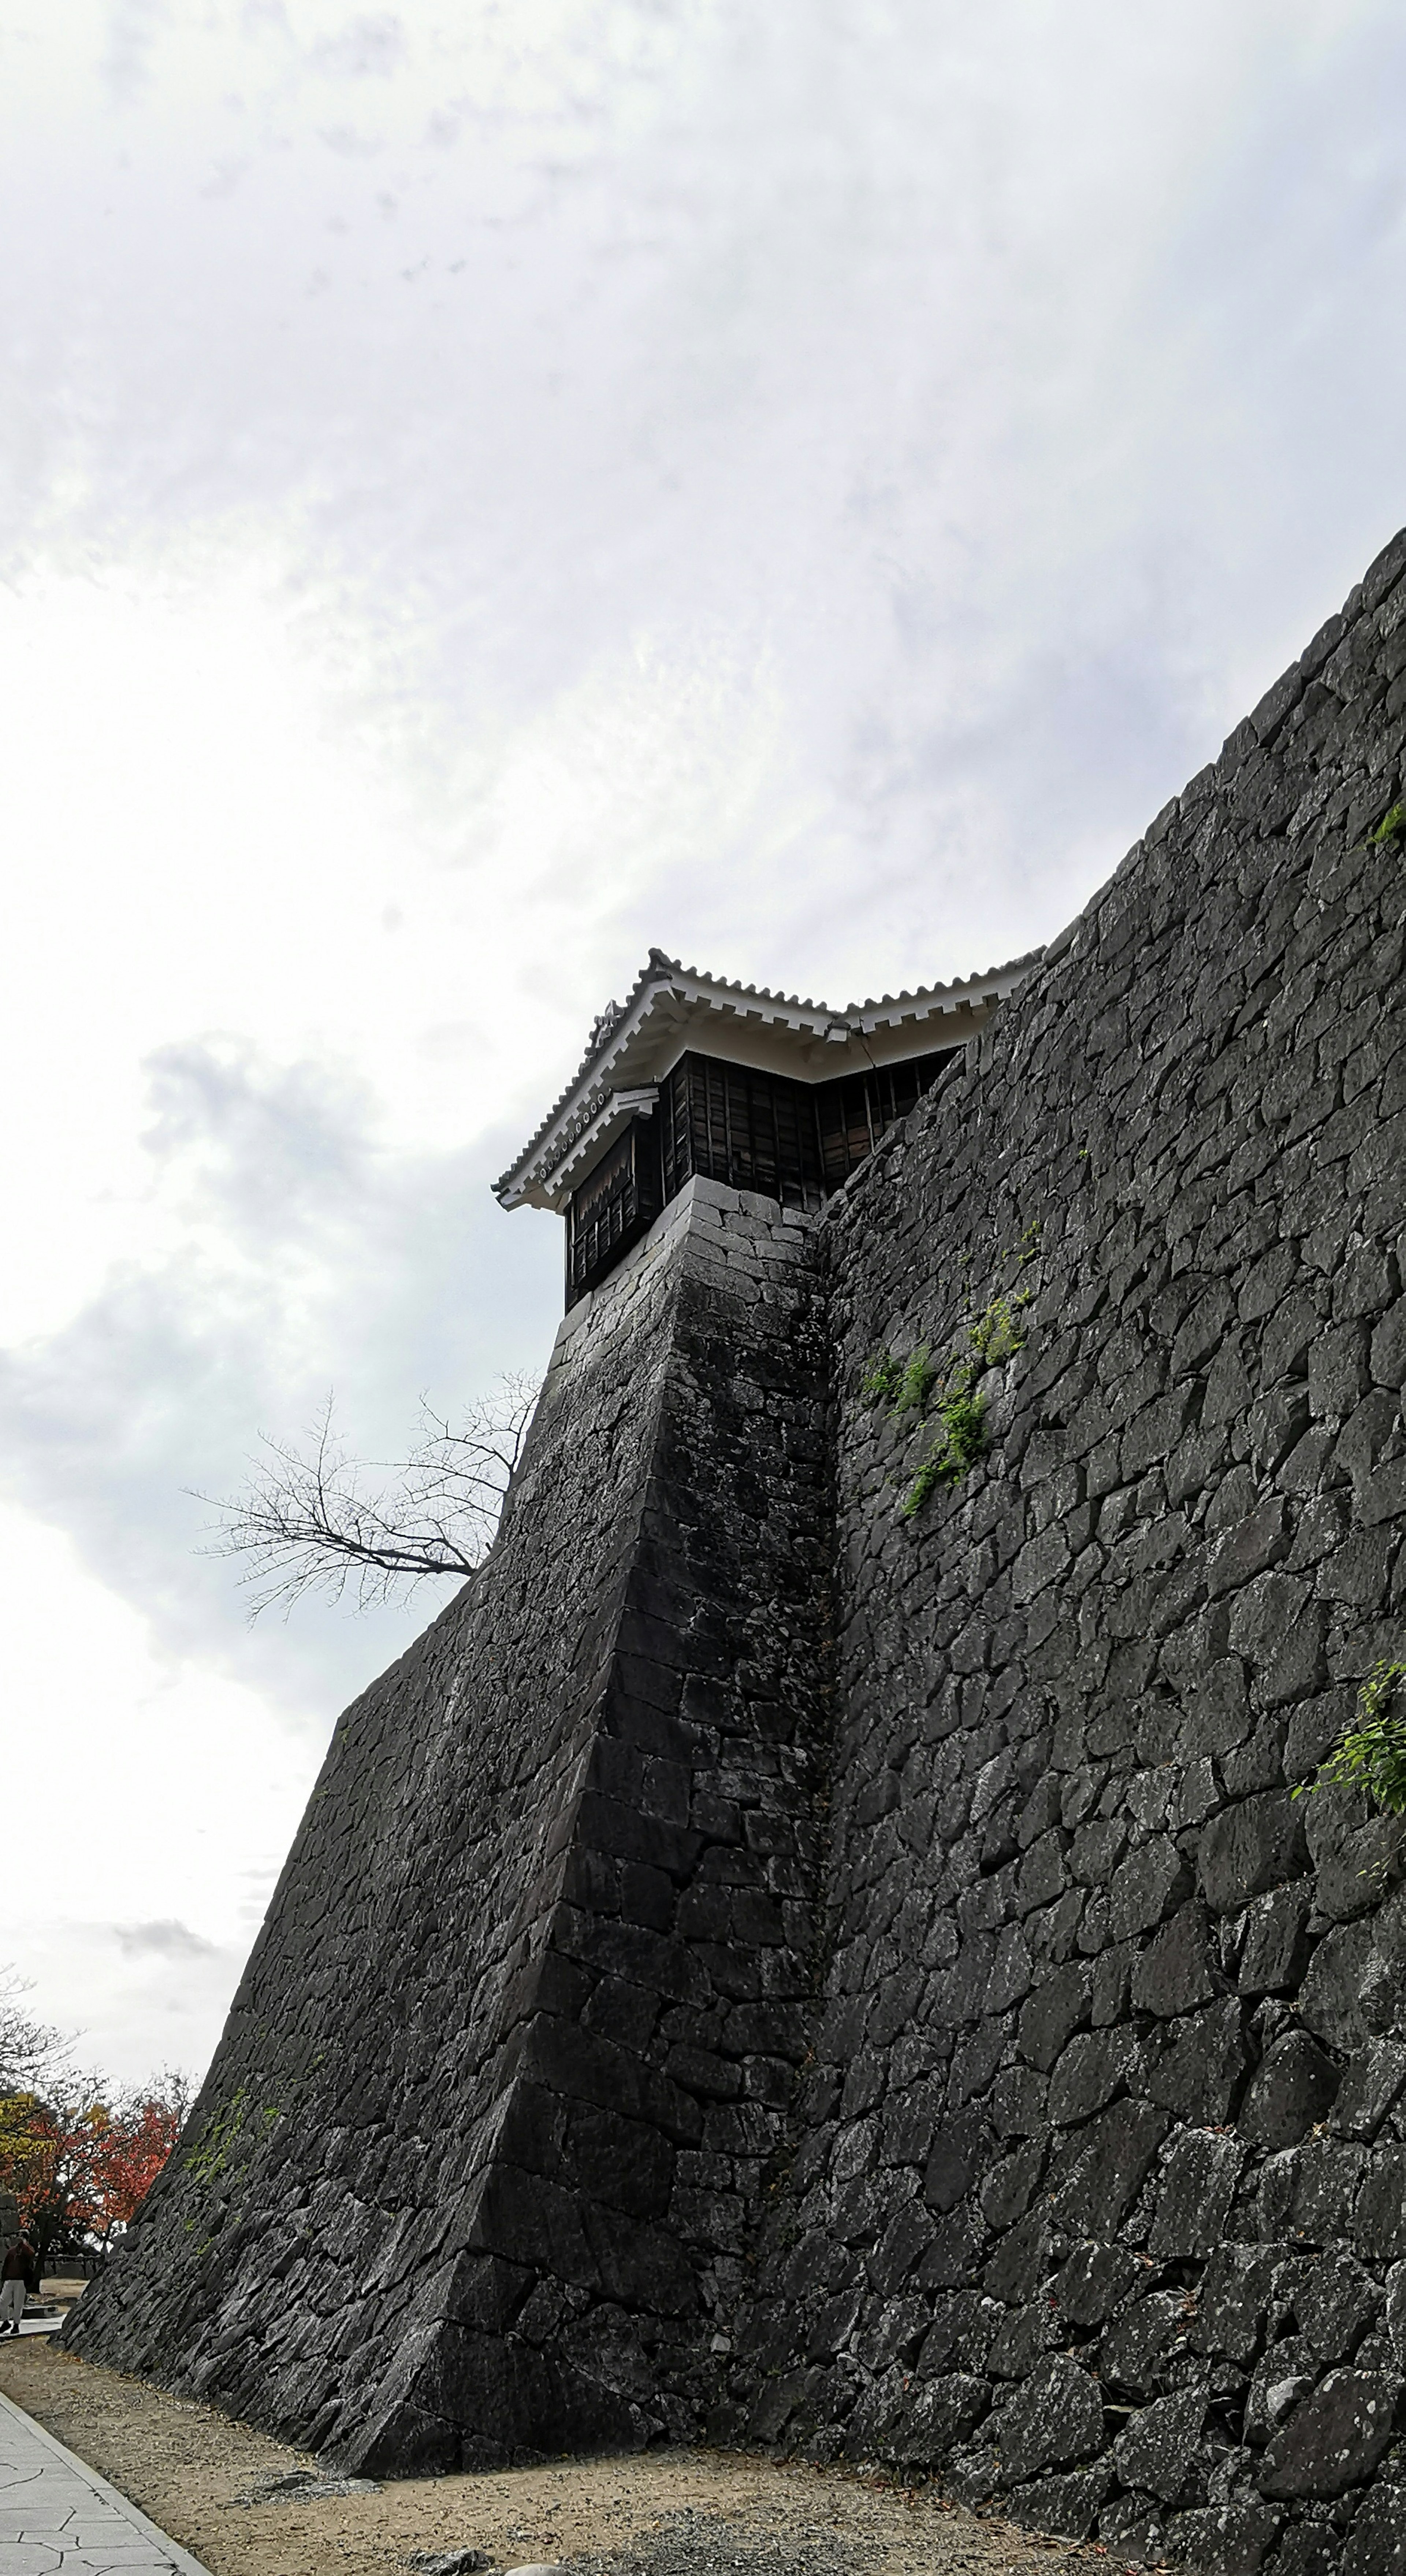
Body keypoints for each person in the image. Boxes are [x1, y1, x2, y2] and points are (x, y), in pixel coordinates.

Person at [0, 2232, 34, 2335]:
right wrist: (4, 2277)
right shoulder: (12, 2251)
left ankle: (16, 2325)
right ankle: (6, 2322)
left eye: (21, 2236)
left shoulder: (27, 2250)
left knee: (18, 2304)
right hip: (10, 2279)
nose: (19, 2238)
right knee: (2, 2302)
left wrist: (25, 2244)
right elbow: (6, 2265)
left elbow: (31, 2256)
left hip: (21, 2280)